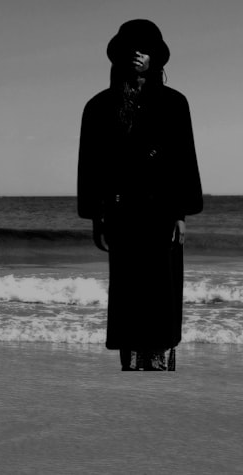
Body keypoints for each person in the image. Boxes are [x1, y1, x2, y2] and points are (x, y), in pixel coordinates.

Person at [77, 19, 202, 371]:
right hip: (121, 213)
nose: (137, 54)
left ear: (156, 58)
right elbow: (91, 166)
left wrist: (181, 212)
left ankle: (160, 362)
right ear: (117, 56)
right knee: (129, 288)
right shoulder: (98, 107)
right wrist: (95, 217)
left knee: (163, 289)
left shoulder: (176, 104)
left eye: (144, 49)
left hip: (163, 212)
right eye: (130, 48)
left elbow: (184, 159)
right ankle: (131, 364)